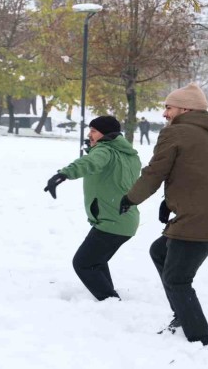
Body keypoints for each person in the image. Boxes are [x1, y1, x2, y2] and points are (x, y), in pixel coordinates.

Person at [119, 82, 208, 346]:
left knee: (177, 278)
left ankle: (200, 338)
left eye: (169, 108)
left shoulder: (176, 133)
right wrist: (170, 200)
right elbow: (202, 174)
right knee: (160, 251)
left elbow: (155, 171)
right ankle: (182, 316)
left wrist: (131, 198)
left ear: (185, 109)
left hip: (200, 218)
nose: (165, 114)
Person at [44, 116, 141, 301]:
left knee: (83, 263)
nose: (90, 134)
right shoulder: (130, 156)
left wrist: (63, 174)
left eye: (94, 131)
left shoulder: (104, 151)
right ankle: (111, 300)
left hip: (111, 221)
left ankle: (110, 300)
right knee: (96, 261)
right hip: (125, 218)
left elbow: (89, 163)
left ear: (106, 134)